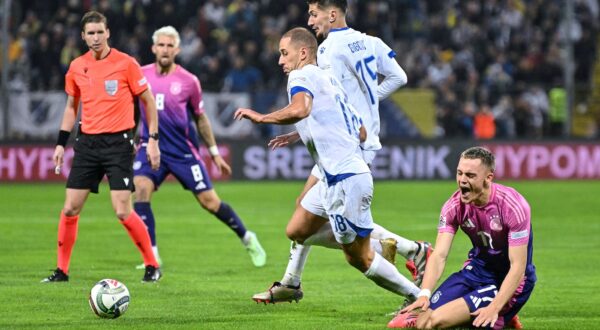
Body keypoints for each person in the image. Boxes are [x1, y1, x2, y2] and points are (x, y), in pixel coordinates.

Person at [251, 0, 432, 304]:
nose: (311, 21)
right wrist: (367, 102)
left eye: (314, 14)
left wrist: (269, 118)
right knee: (302, 219)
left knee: (340, 236)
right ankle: (292, 282)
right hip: (358, 136)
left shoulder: (326, 49)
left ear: (332, 14)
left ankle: (409, 253)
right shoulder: (370, 41)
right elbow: (399, 77)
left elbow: (316, 99)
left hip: (344, 148)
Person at [132, 26, 266, 269]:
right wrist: (132, 141)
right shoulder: (140, 75)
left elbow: (201, 118)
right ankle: (152, 256)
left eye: (169, 45)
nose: (165, 49)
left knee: (210, 202)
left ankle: (247, 238)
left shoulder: (188, 81)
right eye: (161, 45)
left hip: (183, 152)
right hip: (150, 147)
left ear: (178, 49)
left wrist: (214, 153)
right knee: (140, 189)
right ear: (153, 48)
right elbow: (132, 111)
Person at [42, 11, 162, 283]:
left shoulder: (126, 64)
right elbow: (71, 107)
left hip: (118, 143)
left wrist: (152, 138)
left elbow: (149, 102)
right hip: (87, 143)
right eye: (90, 33)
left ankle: (152, 265)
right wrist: (61, 144)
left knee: (122, 210)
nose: (96, 38)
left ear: (108, 33)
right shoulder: (76, 67)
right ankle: (61, 271)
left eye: (100, 32)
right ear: (83, 37)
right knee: (70, 207)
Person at [388, 147, 536, 329]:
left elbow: (518, 267)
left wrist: (495, 306)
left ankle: (505, 312)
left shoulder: (512, 206)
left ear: (488, 178)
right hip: (476, 272)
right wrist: (424, 293)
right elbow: (439, 254)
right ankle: (503, 317)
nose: (462, 181)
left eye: (470, 175)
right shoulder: (453, 207)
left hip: (510, 280)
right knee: (414, 322)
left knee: (436, 322)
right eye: (459, 173)